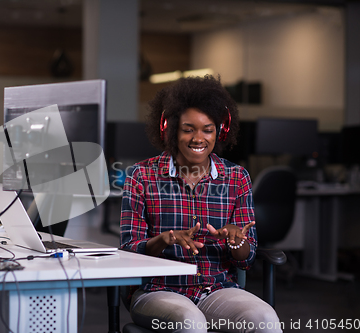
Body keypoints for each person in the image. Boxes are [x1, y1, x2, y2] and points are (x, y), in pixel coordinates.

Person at [120, 75, 282, 333]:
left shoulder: (237, 178)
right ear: (170, 129)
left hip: (217, 290)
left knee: (265, 320)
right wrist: (165, 240)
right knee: (190, 322)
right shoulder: (142, 176)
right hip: (158, 291)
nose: (199, 138)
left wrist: (237, 240)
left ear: (220, 131)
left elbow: (246, 260)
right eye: (188, 129)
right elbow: (128, 254)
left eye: (207, 129)